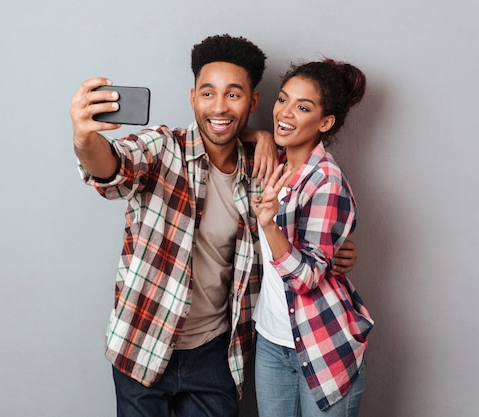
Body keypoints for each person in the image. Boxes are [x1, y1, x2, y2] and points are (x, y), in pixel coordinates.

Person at [70, 34, 358, 417]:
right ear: (193, 99)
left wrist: (335, 252)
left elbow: (300, 235)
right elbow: (113, 168)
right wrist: (83, 138)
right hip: (143, 342)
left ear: (253, 102)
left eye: (234, 95)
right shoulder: (161, 149)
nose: (219, 106)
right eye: (208, 94)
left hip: (217, 355)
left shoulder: (262, 169)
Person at [251, 59, 374, 417]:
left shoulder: (327, 181)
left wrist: (270, 226)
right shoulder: (273, 163)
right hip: (272, 342)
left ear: (325, 122)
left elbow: (306, 278)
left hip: (323, 344)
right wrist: (256, 135)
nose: (285, 113)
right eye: (283, 100)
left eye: (302, 107)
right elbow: (224, 136)